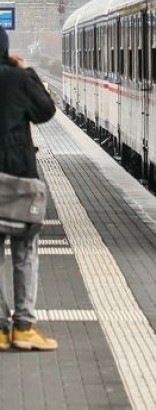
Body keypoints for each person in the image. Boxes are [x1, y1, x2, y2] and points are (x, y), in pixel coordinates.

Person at [0, 26, 57, 351]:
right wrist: (28, 72)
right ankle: (23, 327)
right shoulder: (17, 79)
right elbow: (45, 111)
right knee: (24, 252)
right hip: (19, 178)